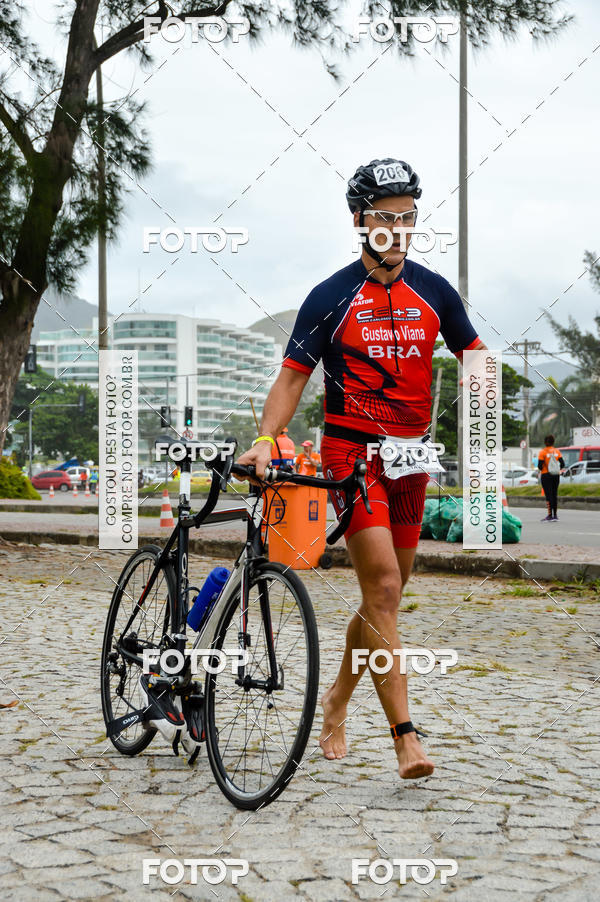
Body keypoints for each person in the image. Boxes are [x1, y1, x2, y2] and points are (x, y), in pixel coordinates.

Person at [237, 157, 487, 780]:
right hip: (352, 457)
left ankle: (337, 702)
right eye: (384, 218)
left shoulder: (434, 291)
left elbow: (475, 354)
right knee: (382, 590)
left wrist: (478, 398)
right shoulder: (330, 298)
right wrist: (268, 438)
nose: (397, 230)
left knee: (387, 596)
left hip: (412, 460)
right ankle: (406, 737)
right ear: (358, 220)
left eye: (407, 218)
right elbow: (292, 378)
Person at [538, 435, 565, 521]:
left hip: (546, 475)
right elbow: (563, 464)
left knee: (548, 495)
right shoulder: (557, 451)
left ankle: (549, 515)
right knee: (554, 494)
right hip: (556, 475)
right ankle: (555, 515)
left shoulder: (543, 452)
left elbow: (539, 466)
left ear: (545, 442)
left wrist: (545, 469)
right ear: (553, 442)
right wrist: (556, 469)